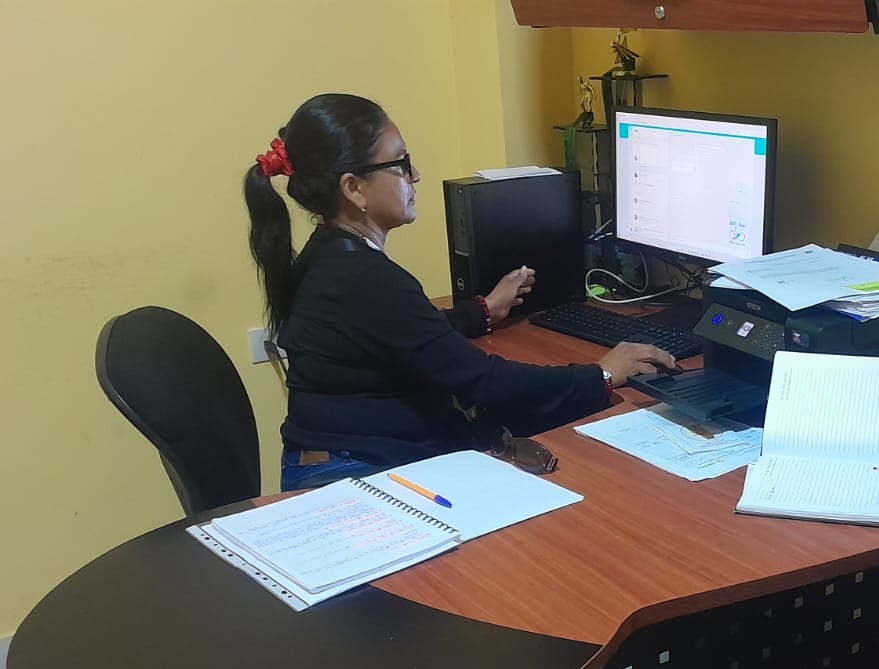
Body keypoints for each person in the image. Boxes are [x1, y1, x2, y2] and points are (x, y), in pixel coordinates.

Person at [243, 93, 675, 490]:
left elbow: (405, 333)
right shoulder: (364, 278)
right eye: (400, 164)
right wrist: (601, 374)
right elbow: (481, 382)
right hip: (350, 478)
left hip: (338, 456)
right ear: (354, 187)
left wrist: (481, 311)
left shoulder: (329, 254)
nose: (415, 175)